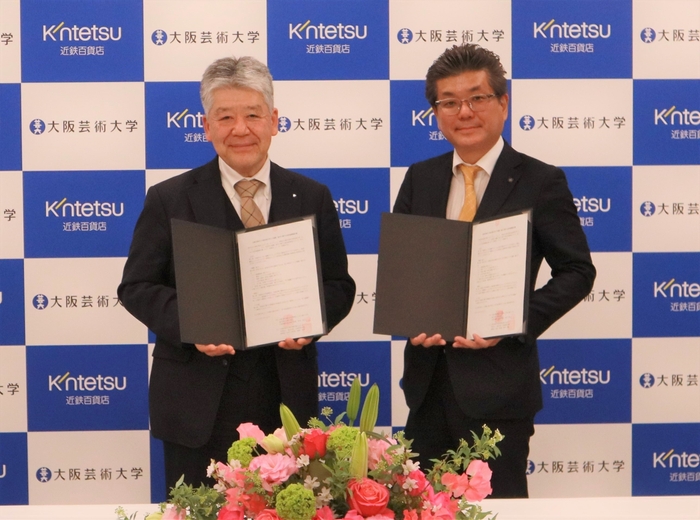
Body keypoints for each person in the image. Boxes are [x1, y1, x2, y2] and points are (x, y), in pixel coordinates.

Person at [118, 56, 355, 490]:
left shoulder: (311, 196)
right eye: (225, 117)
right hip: (197, 401)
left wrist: (310, 322)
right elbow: (136, 286)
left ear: (274, 121)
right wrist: (193, 324)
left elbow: (338, 285)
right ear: (206, 126)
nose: (240, 129)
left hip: (285, 398)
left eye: (253, 115)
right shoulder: (169, 199)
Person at [394, 44, 596, 498]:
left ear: (503, 103)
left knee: (499, 508)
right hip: (427, 385)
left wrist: (512, 322)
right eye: (449, 102)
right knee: (421, 505)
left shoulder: (540, 181)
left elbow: (577, 271)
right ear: (436, 113)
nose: (464, 112)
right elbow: (406, 273)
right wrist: (410, 317)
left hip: (500, 389)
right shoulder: (420, 178)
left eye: (477, 98)